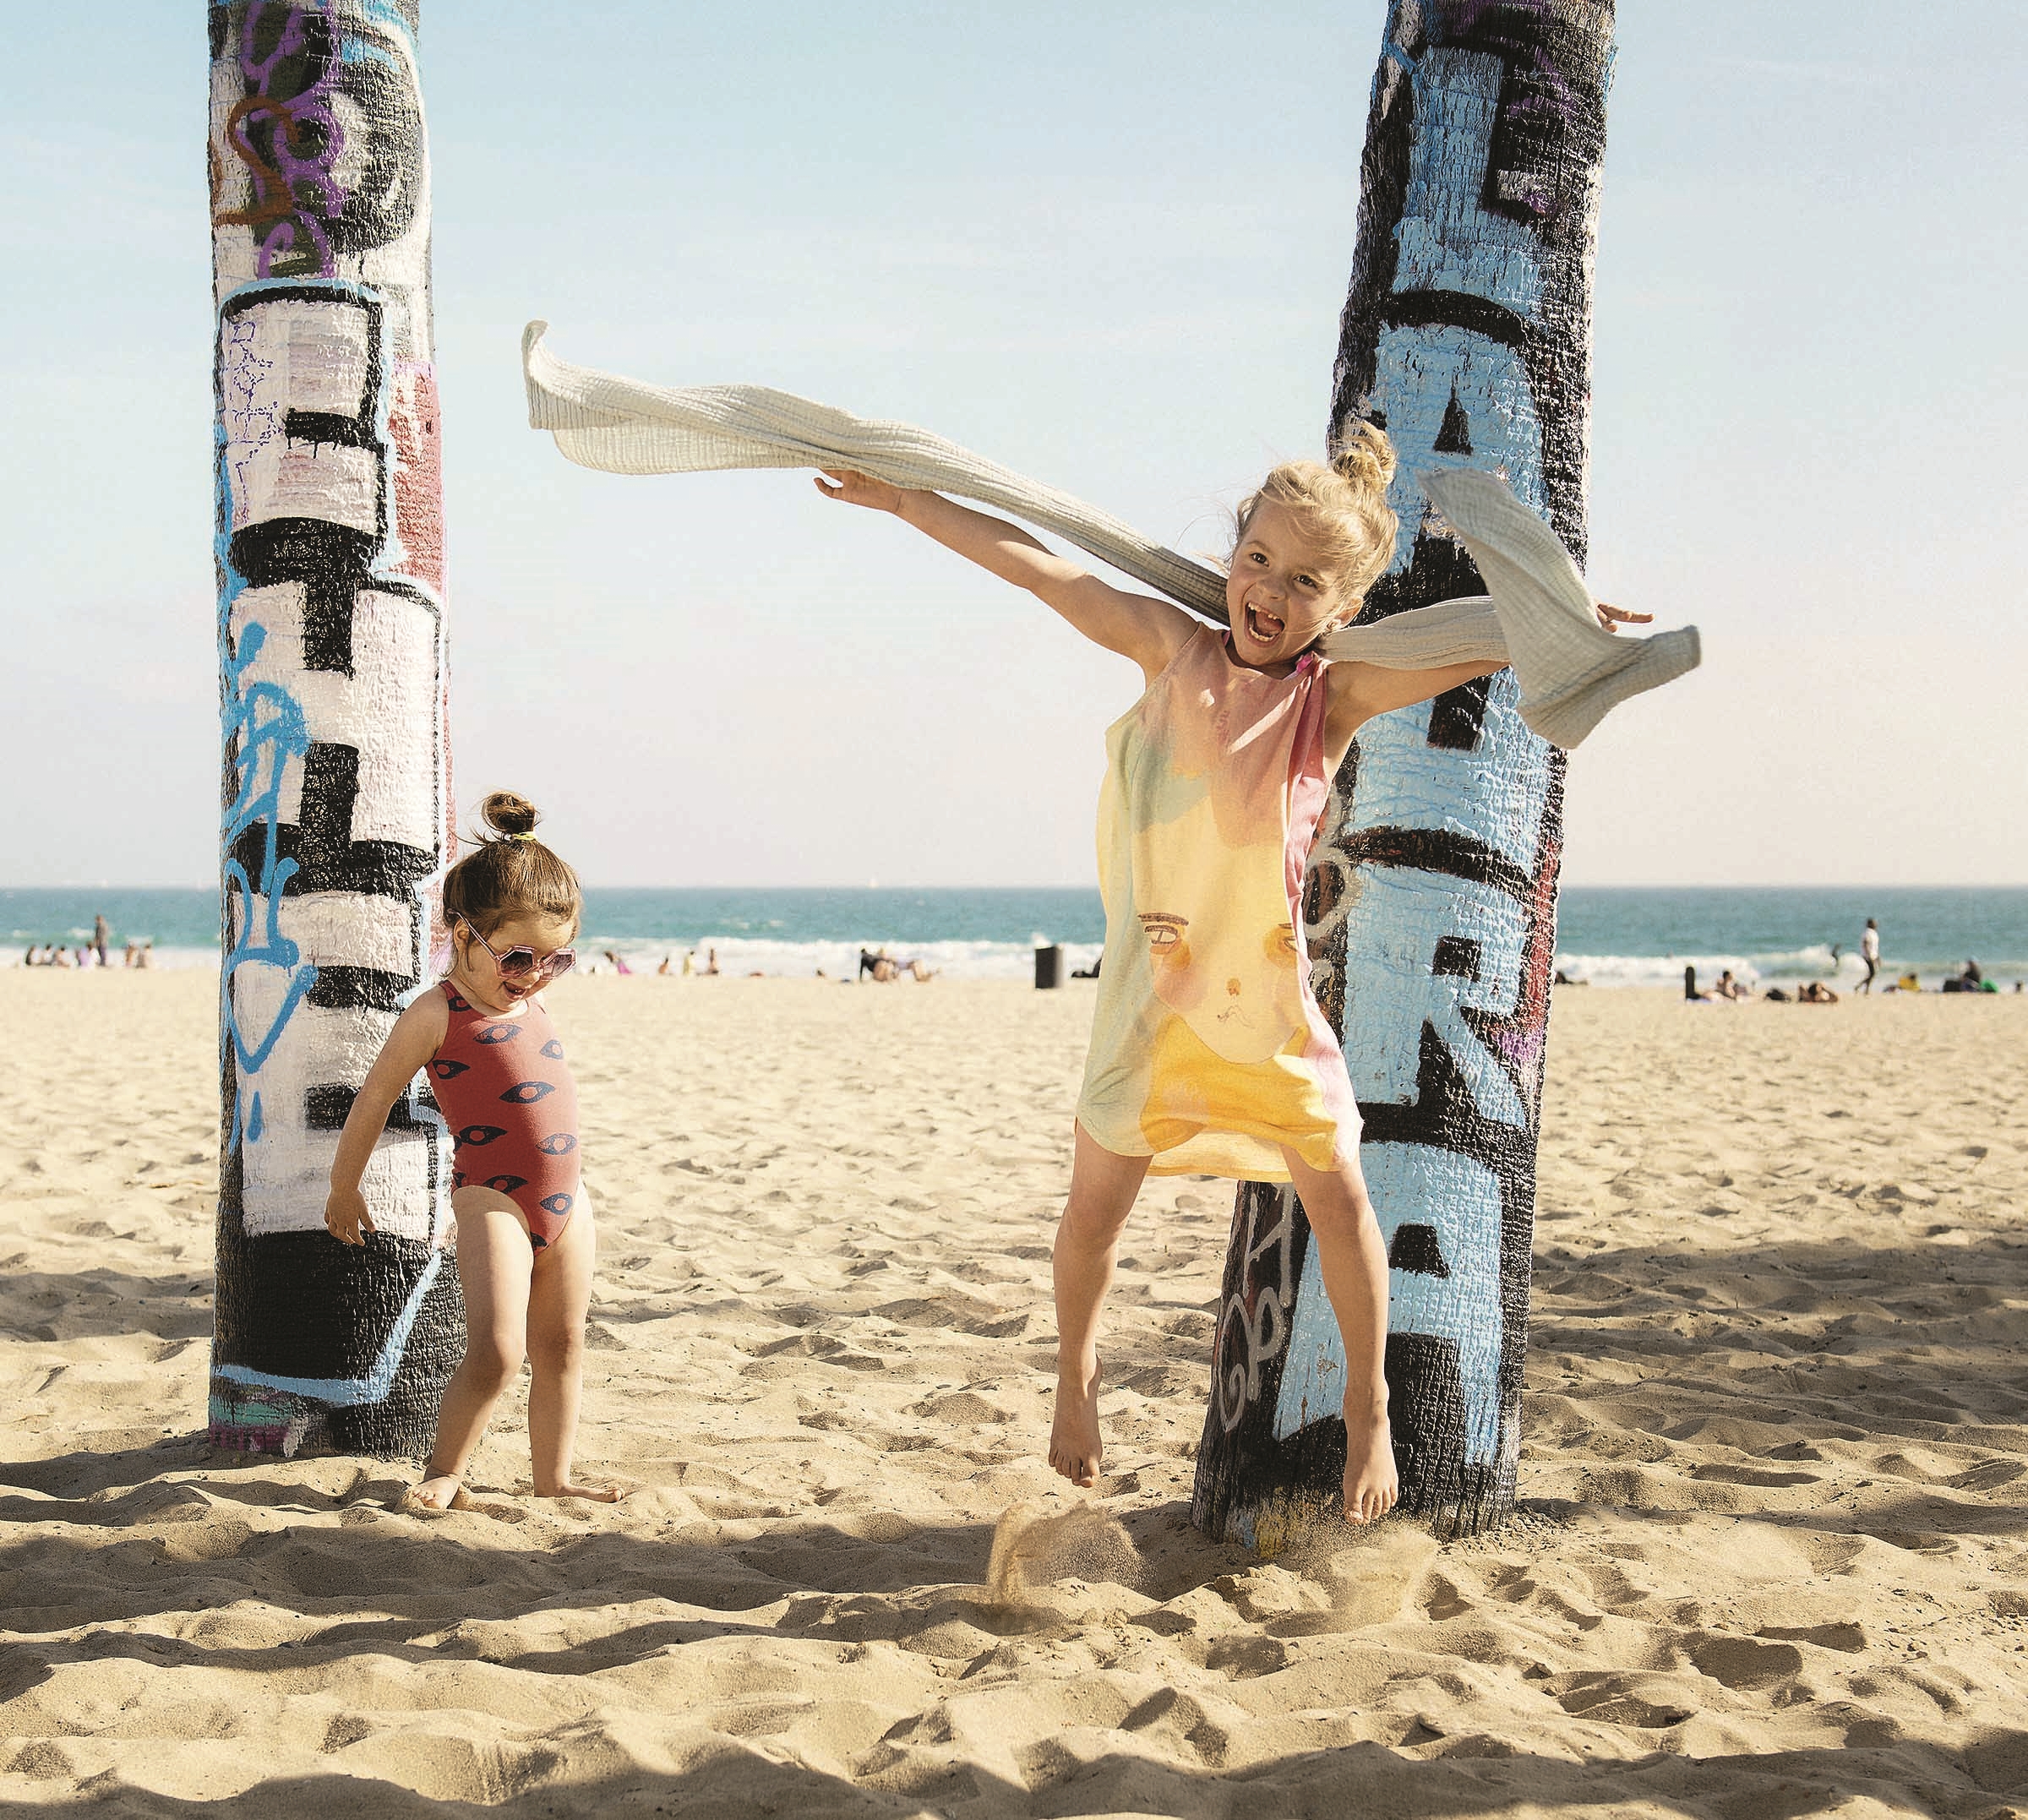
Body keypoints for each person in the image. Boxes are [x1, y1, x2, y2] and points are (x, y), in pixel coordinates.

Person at [814, 425, 1653, 1525]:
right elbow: (1042, 565)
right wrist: (909, 505)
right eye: (1258, 558)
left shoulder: (1330, 702)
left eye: (1307, 582)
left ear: (1341, 612)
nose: (1270, 590)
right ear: (1232, 553)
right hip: (1150, 1013)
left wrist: (1559, 619)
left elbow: (1467, 647)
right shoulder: (1170, 648)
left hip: (1263, 1014)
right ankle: (1076, 1372)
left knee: (1342, 1198)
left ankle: (1369, 1410)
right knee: (1092, 1215)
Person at [324, 792, 619, 1513]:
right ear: (460, 935)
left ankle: (554, 1476)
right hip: (492, 1198)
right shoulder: (438, 1012)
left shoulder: (530, 999)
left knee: (566, 1345)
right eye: (518, 956)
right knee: (497, 1349)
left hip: (568, 1202)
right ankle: (445, 1472)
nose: (536, 973)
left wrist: (528, 973)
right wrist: (343, 1185)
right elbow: (374, 1098)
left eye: (558, 959)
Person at [1858, 918, 1880, 994]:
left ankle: (1863, 988)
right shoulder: (1867, 933)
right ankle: (1863, 988)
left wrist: (1877, 957)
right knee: (1872, 973)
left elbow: (1875, 947)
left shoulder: (1874, 933)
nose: (1876, 924)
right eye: (1874, 923)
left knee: (1871, 973)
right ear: (1870, 924)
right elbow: (1865, 944)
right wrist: (1869, 954)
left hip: (1873, 955)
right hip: (1868, 956)